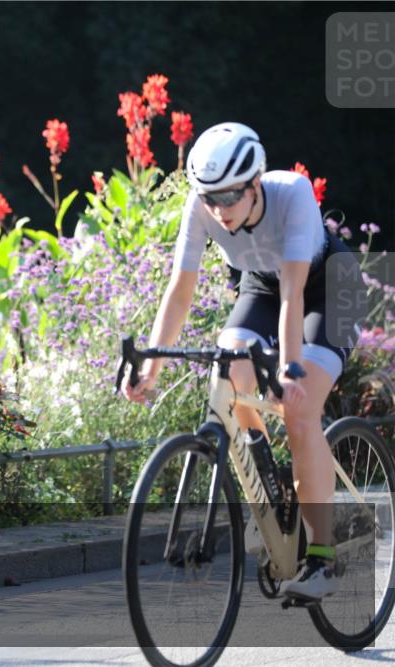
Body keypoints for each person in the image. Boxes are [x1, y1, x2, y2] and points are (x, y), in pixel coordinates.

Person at [120, 121, 366, 600]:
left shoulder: (292, 194)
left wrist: (289, 371)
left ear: (255, 183)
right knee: (229, 370)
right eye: (210, 198)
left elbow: (294, 295)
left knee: (299, 409)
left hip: (324, 290)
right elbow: (180, 289)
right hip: (261, 286)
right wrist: (150, 370)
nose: (220, 210)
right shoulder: (203, 207)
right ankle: (271, 494)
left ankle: (321, 558)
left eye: (231, 197)